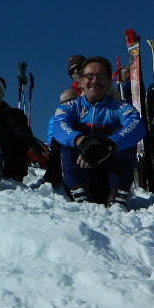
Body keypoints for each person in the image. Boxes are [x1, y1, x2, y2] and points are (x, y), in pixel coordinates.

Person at [52, 57, 145, 208]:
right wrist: (83, 142)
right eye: (89, 76)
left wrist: (108, 144)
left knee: (124, 136)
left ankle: (118, 199)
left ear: (109, 82)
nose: (95, 80)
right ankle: (79, 196)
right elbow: (58, 126)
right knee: (67, 141)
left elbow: (137, 125)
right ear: (80, 82)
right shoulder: (69, 107)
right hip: (81, 177)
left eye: (101, 76)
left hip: (112, 181)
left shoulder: (120, 106)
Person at [41, 88, 77, 187]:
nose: (69, 103)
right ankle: (51, 180)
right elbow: (52, 133)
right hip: (60, 142)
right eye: (65, 102)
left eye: (72, 100)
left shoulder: (82, 113)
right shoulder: (56, 116)